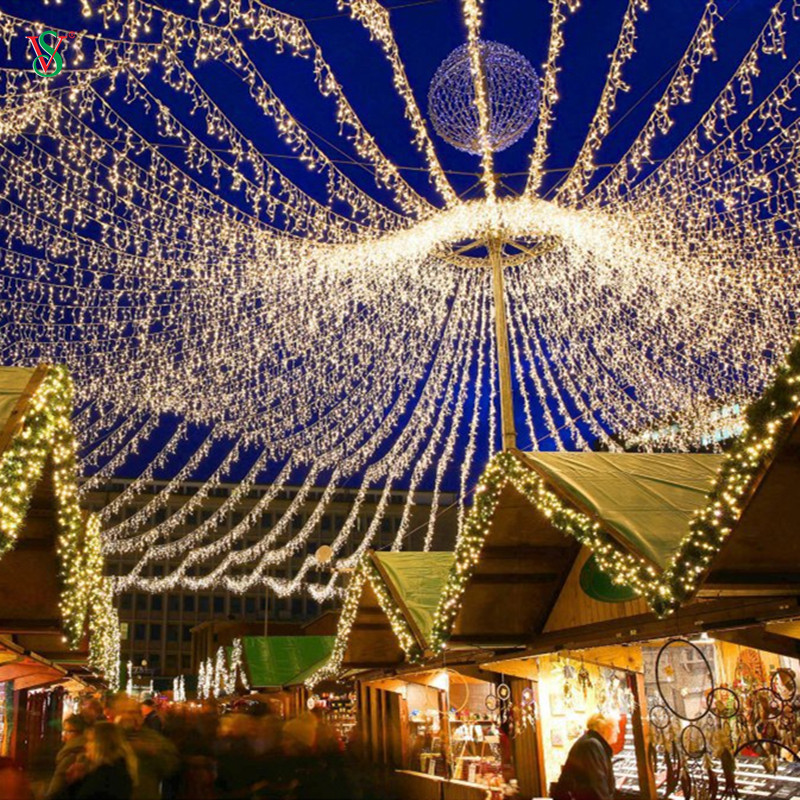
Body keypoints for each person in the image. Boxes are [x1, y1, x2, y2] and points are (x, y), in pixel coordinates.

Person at [112, 697, 178, 800]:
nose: (128, 716)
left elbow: (171, 764)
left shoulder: (151, 737)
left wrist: (152, 752)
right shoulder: (110, 738)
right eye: (124, 712)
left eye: (132, 712)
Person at [551, 713, 618, 800]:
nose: (618, 731)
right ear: (605, 728)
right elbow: (597, 789)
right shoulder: (591, 745)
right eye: (616, 727)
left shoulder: (590, 742)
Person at [66, 721, 137, 800]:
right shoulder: (106, 771)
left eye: (91, 741)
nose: (86, 745)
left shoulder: (108, 777)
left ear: (104, 744)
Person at [45, 715, 90, 800]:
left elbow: (55, 790)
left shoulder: (70, 756)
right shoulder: (88, 751)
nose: (63, 737)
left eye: (68, 732)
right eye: (64, 731)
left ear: (80, 732)